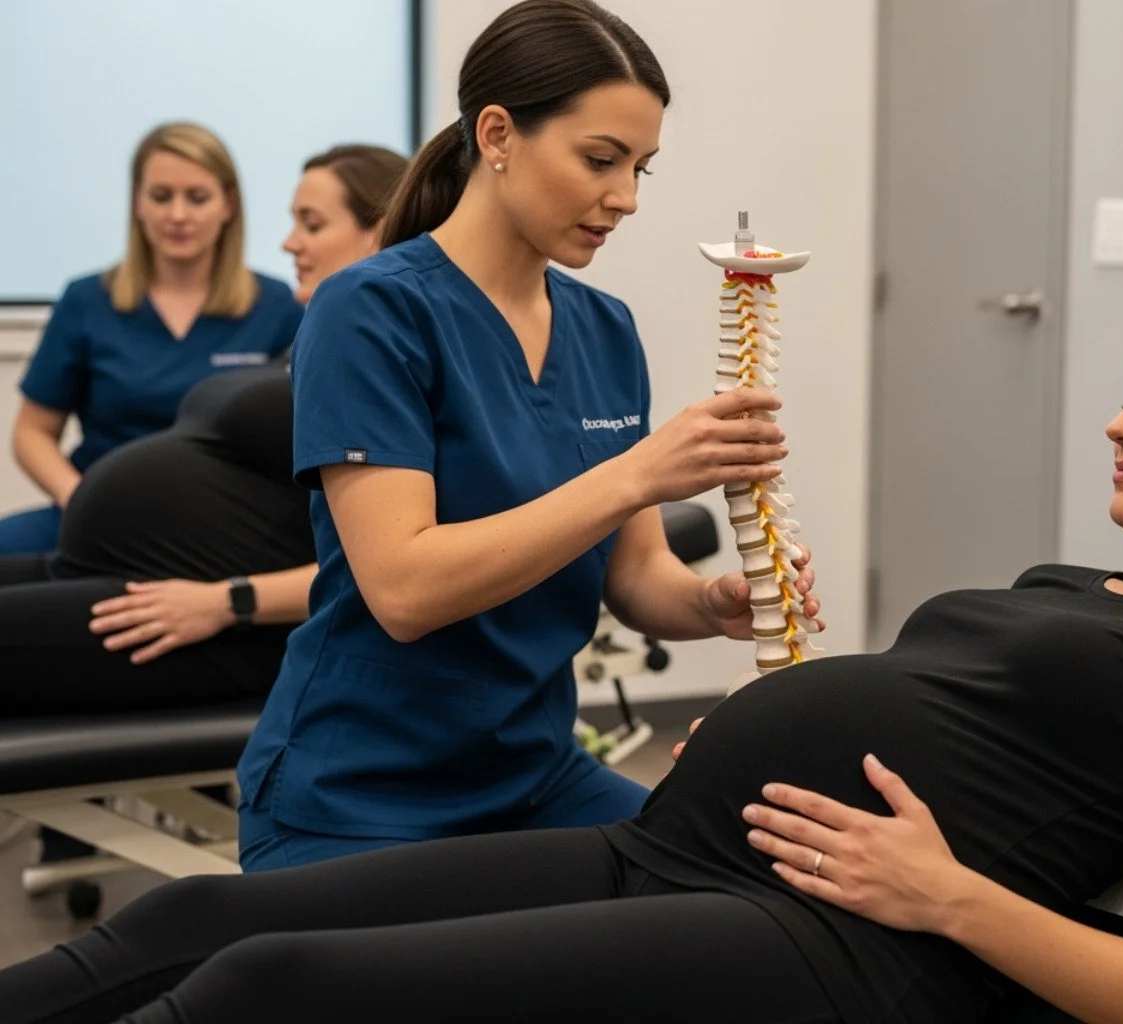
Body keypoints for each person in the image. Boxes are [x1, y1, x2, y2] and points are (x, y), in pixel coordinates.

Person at [0, 288, 1123, 1024]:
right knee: (195, 925)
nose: (1120, 421)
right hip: (671, 844)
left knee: (270, 992)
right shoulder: (1061, 582)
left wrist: (951, 896)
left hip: (831, 940)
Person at [233, 0, 820, 872]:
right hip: (360, 795)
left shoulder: (605, 329)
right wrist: (638, 474)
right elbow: (402, 589)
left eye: (640, 169)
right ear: (498, 133)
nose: (622, 198)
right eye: (599, 160)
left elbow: (637, 578)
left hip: (536, 778)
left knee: (759, 890)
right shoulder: (373, 311)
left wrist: (715, 606)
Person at [0, 145, 408, 715]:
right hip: (124, 559)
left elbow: (383, 563)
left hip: (218, 613)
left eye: (310, 224)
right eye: (161, 196)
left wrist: (229, 602)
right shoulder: (322, 335)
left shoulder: (385, 359)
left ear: (379, 230)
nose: (290, 241)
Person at [1, 122, 305, 555]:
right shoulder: (86, 300)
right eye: (161, 197)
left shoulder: (280, 307)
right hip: (93, 512)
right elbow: (32, 432)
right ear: (137, 204)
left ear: (229, 205)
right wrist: (80, 499)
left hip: (220, 526)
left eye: (197, 198)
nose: (177, 215)